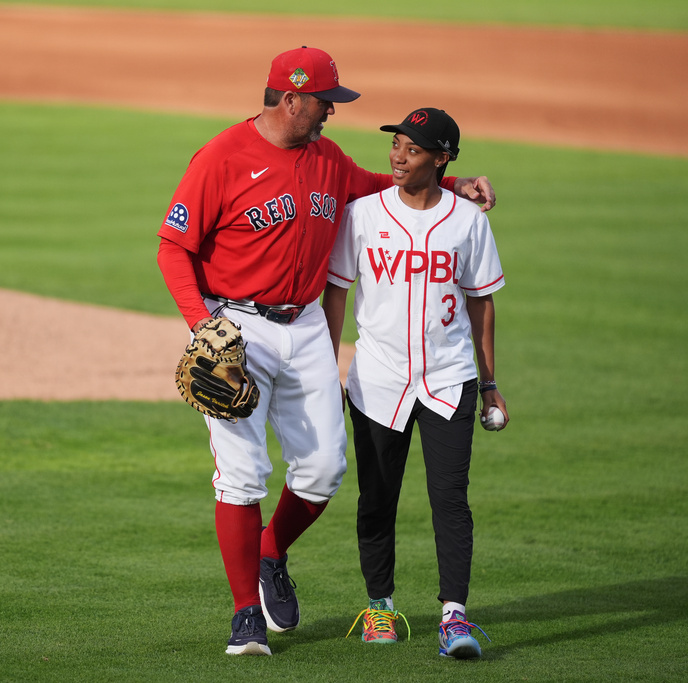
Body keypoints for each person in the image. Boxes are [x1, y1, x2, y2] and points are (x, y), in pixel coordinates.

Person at [156, 49, 496, 657]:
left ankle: (270, 551)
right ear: (291, 99)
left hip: (307, 324)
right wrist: (204, 325)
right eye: (324, 103)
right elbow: (173, 251)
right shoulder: (220, 158)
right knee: (241, 474)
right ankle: (244, 618)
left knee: (322, 472)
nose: (330, 115)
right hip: (236, 326)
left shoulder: (326, 160)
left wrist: (458, 186)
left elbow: (380, 188)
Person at [322, 107, 506, 659]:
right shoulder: (362, 215)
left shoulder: (468, 220)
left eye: (413, 148)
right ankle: (381, 607)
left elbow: (482, 303)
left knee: (450, 499)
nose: (398, 156)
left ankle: (454, 618)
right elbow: (337, 293)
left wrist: (491, 383)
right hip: (377, 380)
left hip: (450, 379)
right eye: (397, 144)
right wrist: (328, 372)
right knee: (376, 499)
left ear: (442, 158)